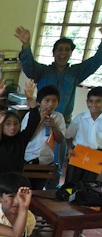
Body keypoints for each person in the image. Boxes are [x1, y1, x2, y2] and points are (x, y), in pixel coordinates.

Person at [15, 26, 102, 185]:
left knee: (57, 162)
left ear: (70, 53)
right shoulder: (42, 71)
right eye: (59, 49)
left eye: (67, 50)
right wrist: (26, 45)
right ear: (53, 53)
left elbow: (96, 61)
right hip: (39, 120)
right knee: (35, 153)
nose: (63, 53)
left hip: (62, 123)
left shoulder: (76, 72)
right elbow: (28, 67)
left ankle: (51, 190)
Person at [0, 79, 41, 192]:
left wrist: (30, 99)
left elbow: (35, 119)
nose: (12, 127)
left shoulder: (21, 139)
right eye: (8, 124)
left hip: (13, 184)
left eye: (16, 124)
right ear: (1, 123)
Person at [22, 85, 65, 189]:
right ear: (39, 102)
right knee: (24, 186)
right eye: (47, 100)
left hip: (46, 159)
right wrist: (38, 120)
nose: (50, 104)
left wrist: (54, 126)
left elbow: (60, 140)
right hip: (28, 157)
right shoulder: (30, 115)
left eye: (54, 101)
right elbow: (25, 137)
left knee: (38, 188)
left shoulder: (58, 117)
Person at [65, 86, 102, 183]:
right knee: (71, 182)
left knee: (88, 184)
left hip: (97, 155)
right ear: (87, 102)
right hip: (79, 153)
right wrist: (69, 149)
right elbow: (69, 136)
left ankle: (83, 197)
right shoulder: (80, 118)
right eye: (91, 101)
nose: (94, 104)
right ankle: (69, 197)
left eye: (98, 101)